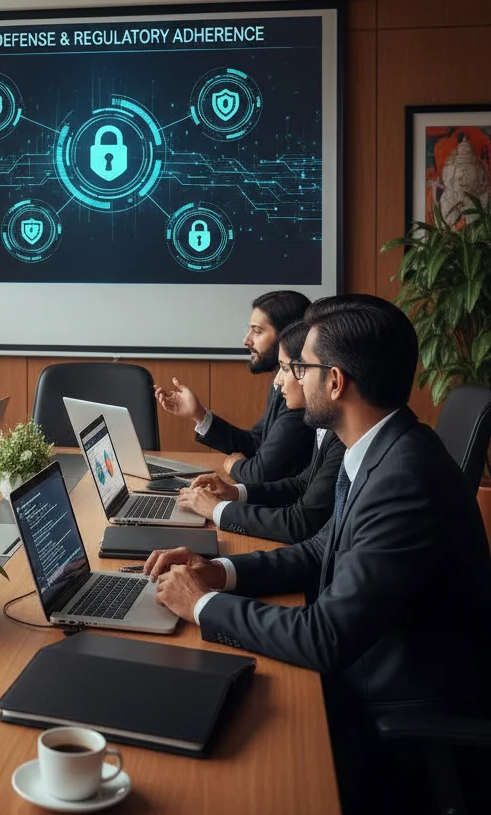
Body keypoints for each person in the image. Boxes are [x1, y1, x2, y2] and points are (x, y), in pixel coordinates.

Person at [143, 295, 491, 814]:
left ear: (334, 382)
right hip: (368, 668)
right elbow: (317, 549)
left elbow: (325, 637)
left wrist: (200, 607)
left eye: (300, 367)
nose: (290, 381)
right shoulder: (382, 446)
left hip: (393, 715)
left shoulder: (405, 478)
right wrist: (218, 572)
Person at [175, 319, 346, 545]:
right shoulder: (324, 422)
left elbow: (300, 523)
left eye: (288, 368)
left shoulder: (334, 431)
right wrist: (235, 493)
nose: (277, 380)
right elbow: (301, 484)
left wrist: (219, 509)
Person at [155, 290, 314, 483]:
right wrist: (199, 415)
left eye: (257, 331)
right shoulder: (279, 383)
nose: (246, 340)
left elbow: (260, 473)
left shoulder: (302, 398)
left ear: (287, 335)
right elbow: (257, 442)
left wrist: (233, 466)